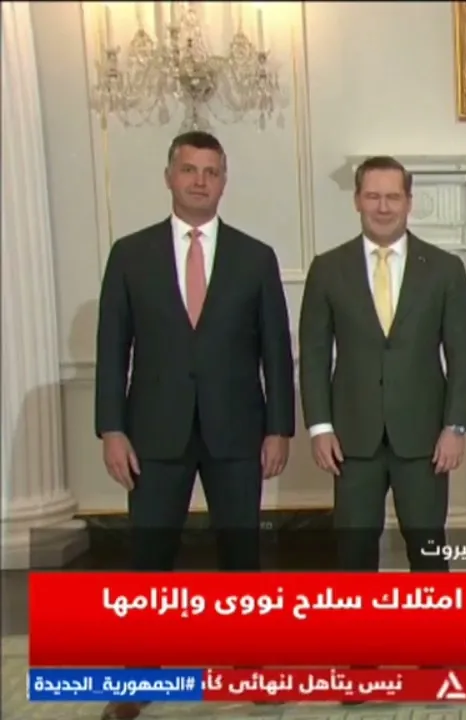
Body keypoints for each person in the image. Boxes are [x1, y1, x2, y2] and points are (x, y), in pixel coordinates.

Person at [94, 131, 294, 720]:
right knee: (149, 558)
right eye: (189, 169)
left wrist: (279, 428)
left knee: (242, 555)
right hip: (153, 433)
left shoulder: (255, 257)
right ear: (169, 177)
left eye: (211, 171)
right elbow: (113, 349)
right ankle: (138, 679)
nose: (200, 181)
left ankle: (249, 667)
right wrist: (111, 428)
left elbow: (275, 351)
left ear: (223, 181)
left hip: (238, 430)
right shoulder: (130, 254)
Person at [298, 155, 466, 573]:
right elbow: (315, 354)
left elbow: (463, 354)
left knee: (428, 555)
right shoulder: (328, 268)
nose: (383, 207)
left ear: (408, 202)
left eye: (393, 197)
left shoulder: (445, 269)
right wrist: (320, 428)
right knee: (354, 556)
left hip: (424, 439)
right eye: (373, 196)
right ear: (357, 200)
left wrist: (455, 427)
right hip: (352, 440)